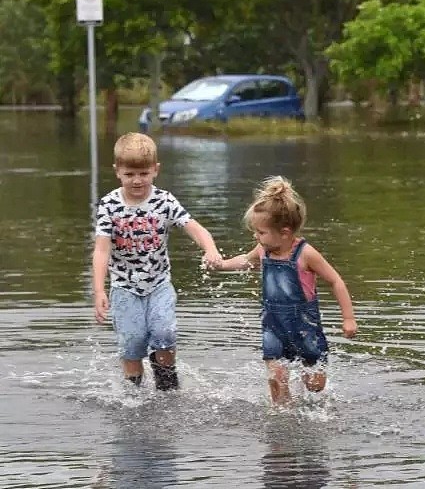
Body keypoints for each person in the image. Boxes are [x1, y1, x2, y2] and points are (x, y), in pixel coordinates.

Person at [211, 176, 357, 405]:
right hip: (273, 325)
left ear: (285, 232)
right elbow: (245, 261)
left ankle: (305, 399)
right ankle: (281, 418)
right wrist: (222, 264)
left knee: (315, 386)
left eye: (260, 232)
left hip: (304, 327)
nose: (256, 236)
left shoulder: (306, 254)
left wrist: (348, 318)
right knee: (277, 377)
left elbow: (336, 281)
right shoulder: (263, 249)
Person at [93, 132, 222, 390]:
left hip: (159, 284)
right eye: (130, 174)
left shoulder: (164, 201)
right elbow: (101, 250)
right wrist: (99, 289)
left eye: (144, 173)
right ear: (117, 171)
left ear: (155, 170)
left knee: (164, 334)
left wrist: (211, 249)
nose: (137, 180)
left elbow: (194, 227)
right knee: (132, 341)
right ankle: (133, 392)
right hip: (124, 288)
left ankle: (167, 386)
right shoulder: (109, 205)